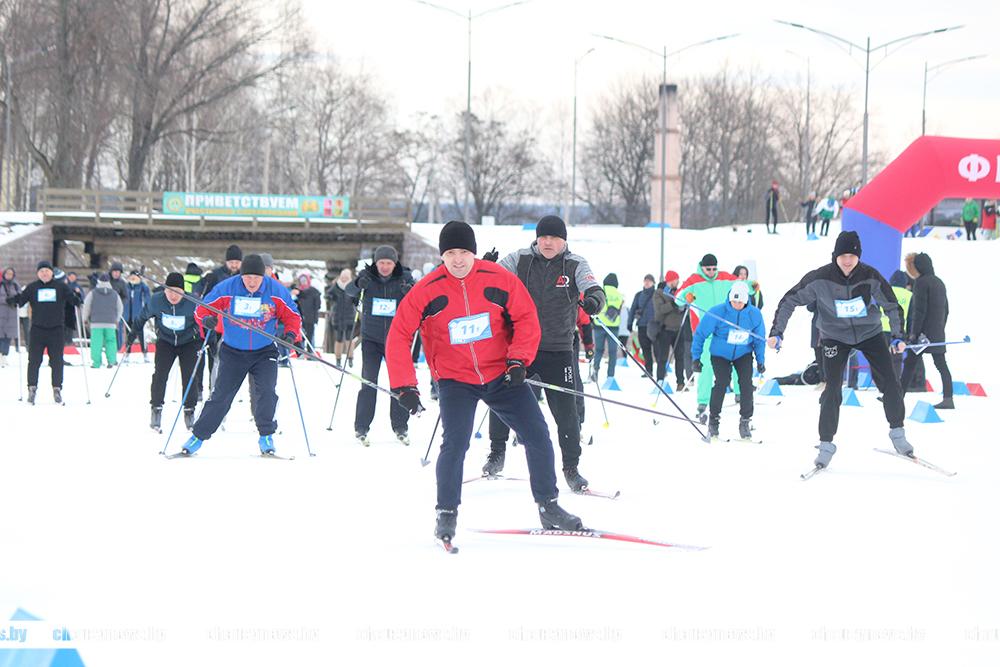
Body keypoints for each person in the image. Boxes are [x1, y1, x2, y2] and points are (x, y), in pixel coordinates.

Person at [385, 220, 584, 545]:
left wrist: (519, 359)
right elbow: (399, 334)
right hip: (455, 380)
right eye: (450, 253)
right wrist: (405, 385)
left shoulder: (499, 279)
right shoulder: (427, 288)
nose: (458, 260)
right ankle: (446, 514)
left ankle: (548, 505)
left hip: (501, 374)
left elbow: (525, 316)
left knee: (537, 434)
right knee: (455, 444)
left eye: (464, 252)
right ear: (442, 255)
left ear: (473, 252)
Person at [767, 231, 915, 470]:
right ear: (835, 255)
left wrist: (898, 336)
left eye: (852, 256)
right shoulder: (819, 278)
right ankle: (826, 445)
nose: (848, 261)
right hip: (834, 337)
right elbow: (789, 300)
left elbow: (891, 305)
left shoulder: (870, 276)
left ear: (859, 256)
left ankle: (898, 433)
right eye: (843, 255)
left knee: (890, 381)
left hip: (870, 333)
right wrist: (777, 332)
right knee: (832, 388)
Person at [484, 215, 605, 491]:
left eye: (555, 238)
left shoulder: (575, 264)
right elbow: (491, 278)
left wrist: (595, 301)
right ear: (537, 238)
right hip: (520, 347)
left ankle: (571, 468)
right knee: (501, 398)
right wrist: (485, 267)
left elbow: (592, 287)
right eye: (544, 237)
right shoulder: (521, 259)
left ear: (564, 240)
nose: (548, 242)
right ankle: (496, 453)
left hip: (558, 349)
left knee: (566, 412)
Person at [180, 254, 302, 456]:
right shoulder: (228, 288)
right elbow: (202, 308)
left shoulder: (275, 290)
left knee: (267, 393)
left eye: (256, 278)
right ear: (241, 275)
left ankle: (266, 436)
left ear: (264, 276)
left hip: (264, 351)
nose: (252, 282)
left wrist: (290, 335)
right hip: (233, 351)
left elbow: (293, 315)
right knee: (221, 396)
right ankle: (198, 436)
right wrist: (207, 319)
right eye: (247, 278)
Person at [345, 245, 415, 445]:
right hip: (371, 339)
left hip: (397, 340)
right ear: (376, 263)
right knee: (368, 382)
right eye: (381, 263)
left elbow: (420, 296)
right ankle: (361, 426)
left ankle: (400, 426)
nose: (385, 267)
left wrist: (409, 291)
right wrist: (359, 284)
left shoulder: (405, 277)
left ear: (395, 263)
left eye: (389, 263)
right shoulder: (367, 276)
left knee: (399, 384)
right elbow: (348, 291)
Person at [675, 254, 746, 420]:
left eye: (714, 268)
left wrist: (752, 287)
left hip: (725, 330)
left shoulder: (724, 277)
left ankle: (740, 393)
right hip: (705, 331)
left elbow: (742, 286)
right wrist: (687, 297)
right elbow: (678, 298)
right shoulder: (694, 280)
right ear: (702, 267)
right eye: (708, 269)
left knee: (737, 361)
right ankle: (702, 401)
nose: (712, 272)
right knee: (706, 366)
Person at [691, 282, 766, 439]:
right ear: (729, 299)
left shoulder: (754, 315)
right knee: (722, 382)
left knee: (746, 384)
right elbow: (700, 334)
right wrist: (696, 357)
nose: (737, 305)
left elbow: (759, 339)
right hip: (720, 354)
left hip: (743, 354)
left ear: (746, 301)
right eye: (734, 301)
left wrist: (760, 360)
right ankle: (714, 421)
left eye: (740, 302)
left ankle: (745, 421)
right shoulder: (717, 312)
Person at [6, 261, 82, 404]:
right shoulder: (32, 287)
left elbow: (72, 299)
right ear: (37, 273)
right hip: (37, 330)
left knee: (57, 361)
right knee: (34, 361)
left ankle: (57, 388)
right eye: (41, 271)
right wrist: (14, 300)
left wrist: (77, 299)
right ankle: (32, 387)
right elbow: (21, 300)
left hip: (56, 329)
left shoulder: (60, 287)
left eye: (47, 270)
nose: (44, 273)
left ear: (52, 272)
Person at [142, 272, 201, 431]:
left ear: (184, 292)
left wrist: (209, 340)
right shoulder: (156, 300)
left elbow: (204, 321)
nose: (173, 296)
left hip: (189, 342)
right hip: (166, 341)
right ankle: (156, 408)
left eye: (178, 292)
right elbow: (143, 316)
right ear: (164, 290)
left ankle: (189, 410)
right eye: (170, 291)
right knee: (160, 374)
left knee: (189, 376)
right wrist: (133, 333)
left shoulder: (193, 302)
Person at [899, 253, 953, 409]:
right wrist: (940, 328)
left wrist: (913, 333)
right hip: (937, 333)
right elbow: (946, 309)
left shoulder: (921, 283)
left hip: (922, 335)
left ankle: (898, 396)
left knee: (909, 364)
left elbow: (919, 311)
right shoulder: (939, 283)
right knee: (941, 365)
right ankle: (948, 398)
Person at [650, 270, 686, 390]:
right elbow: (660, 309)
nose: (678, 282)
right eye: (676, 279)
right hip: (665, 329)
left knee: (680, 357)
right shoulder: (659, 293)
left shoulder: (679, 293)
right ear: (671, 280)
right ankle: (660, 380)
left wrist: (684, 303)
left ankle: (680, 382)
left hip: (678, 329)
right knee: (663, 357)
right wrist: (673, 304)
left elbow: (682, 308)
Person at [82, 273, 123, 369]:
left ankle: (96, 363)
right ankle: (111, 361)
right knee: (111, 342)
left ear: (98, 282)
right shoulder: (115, 294)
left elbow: (86, 306)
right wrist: (117, 319)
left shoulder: (93, 293)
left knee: (96, 343)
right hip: (111, 323)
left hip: (96, 323)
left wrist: (85, 318)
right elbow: (120, 307)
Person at [591, 273, 623, 381]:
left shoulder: (601, 292)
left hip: (599, 325)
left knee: (598, 350)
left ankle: (595, 371)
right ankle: (610, 375)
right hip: (613, 327)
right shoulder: (619, 295)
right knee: (612, 352)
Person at [881, 271, 912, 380]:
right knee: (897, 359)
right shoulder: (909, 295)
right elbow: (912, 315)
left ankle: (883, 384)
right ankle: (895, 382)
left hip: (882, 329)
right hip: (899, 331)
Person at [325, 268, 357, 364]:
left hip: (349, 316)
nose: (343, 279)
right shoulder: (336, 286)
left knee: (348, 338)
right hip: (338, 316)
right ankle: (338, 359)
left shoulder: (352, 287)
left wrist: (356, 300)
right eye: (342, 277)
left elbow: (356, 299)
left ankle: (350, 358)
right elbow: (327, 295)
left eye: (346, 277)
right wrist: (331, 297)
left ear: (349, 278)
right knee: (338, 338)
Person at [627, 274, 656, 376]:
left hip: (655, 326)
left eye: (649, 281)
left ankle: (661, 372)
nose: (647, 282)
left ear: (653, 283)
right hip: (642, 325)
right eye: (645, 281)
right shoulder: (639, 295)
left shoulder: (657, 294)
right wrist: (629, 323)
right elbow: (633, 309)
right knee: (645, 349)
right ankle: (648, 371)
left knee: (658, 349)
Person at [123, 271, 152, 361]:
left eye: (135, 277)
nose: (133, 279)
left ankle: (145, 353)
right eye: (132, 276)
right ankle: (127, 353)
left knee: (140, 335)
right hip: (128, 314)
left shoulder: (142, 286)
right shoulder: (126, 286)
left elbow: (147, 297)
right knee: (129, 335)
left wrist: (147, 310)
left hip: (138, 315)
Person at [291, 273, 322, 351]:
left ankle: (310, 351)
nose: (303, 282)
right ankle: (299, 351)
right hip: (300, 316)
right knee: (300, 335)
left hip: (310, 317)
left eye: (305, 280)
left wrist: (315, 317)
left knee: (310, 335)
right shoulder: (297, 291)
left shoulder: (314, 291)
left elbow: (317, 305)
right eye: (302, 281)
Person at [0, 268, 21, 366]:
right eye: (7, 273)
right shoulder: (1, 284)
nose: (9, 275)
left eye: (11, 274)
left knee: (8, 336)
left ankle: (4, 355)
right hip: (1, 312)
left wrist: (15, 301)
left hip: (11, 314)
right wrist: (5, 300)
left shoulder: (16, 285)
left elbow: (20, 296)